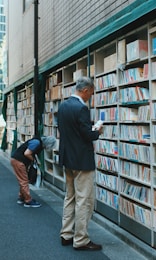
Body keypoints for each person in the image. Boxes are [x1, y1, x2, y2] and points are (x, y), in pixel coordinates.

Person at [58, 77, 103, 251]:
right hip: (82, 161)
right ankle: (81, 239)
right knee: (84, 200)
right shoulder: (81, 109)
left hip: (67, 158)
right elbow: (87, 135)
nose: (90, 96)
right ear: (85, 90)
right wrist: (97, 131)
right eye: (91, 93)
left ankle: (66, 234)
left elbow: (68, 132)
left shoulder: (63, 106)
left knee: (69, 197)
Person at [11, 135, 56, 208]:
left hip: (17, 160)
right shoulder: (36, 143)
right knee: (24, 181)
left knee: (23, 180)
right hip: (19, 161)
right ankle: (28, 200)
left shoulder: (37, 141)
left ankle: (22, 197)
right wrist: (34, 160)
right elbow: (27, 153)